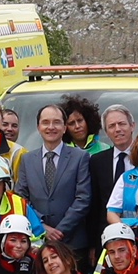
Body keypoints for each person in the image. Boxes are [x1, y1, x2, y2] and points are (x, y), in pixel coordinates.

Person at [17, 105, 93, 249]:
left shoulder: (80, 157)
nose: (51, 127)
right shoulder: (27, 159)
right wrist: (42, 226)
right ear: (38, 127)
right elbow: (21, 198)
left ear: (64, 128)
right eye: (45, 122)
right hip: (37, 241)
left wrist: (60, 231)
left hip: (72, 243)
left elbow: (83, 199)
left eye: (56, 122)